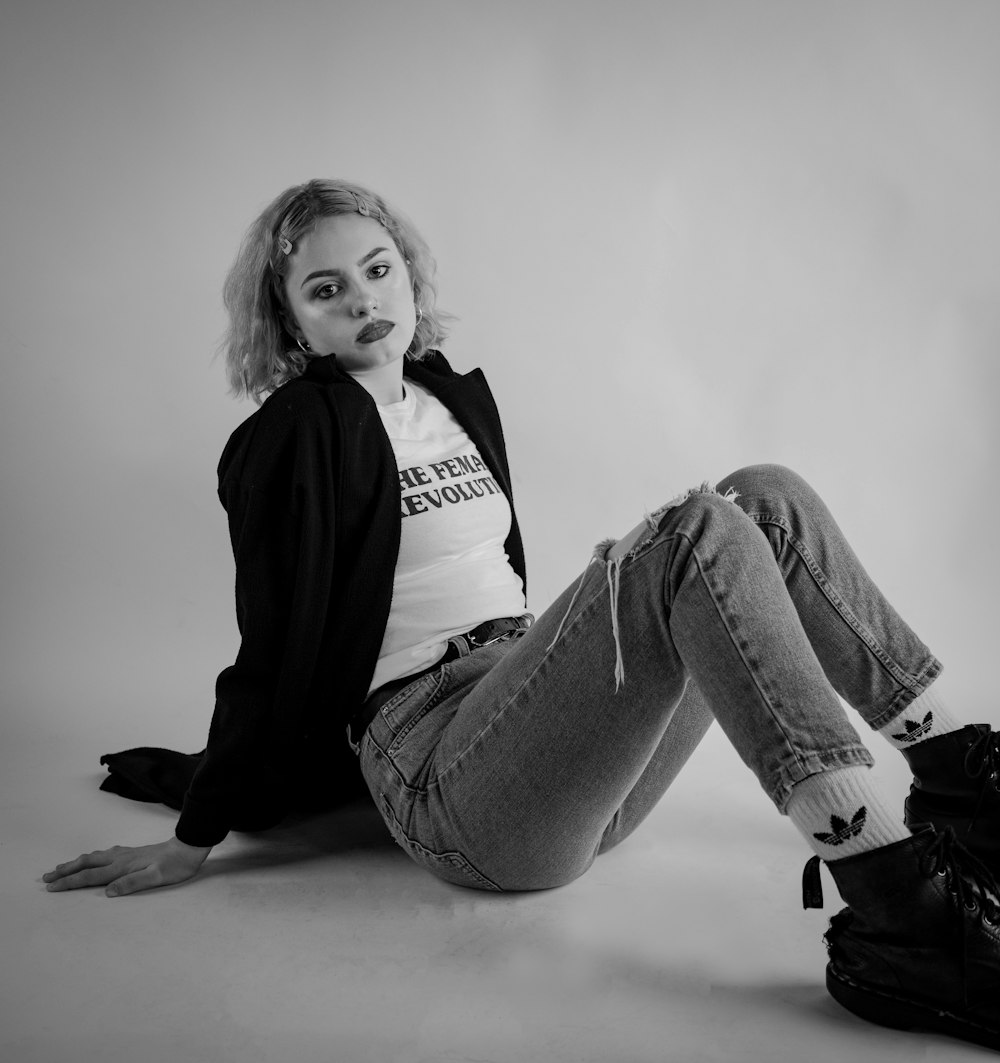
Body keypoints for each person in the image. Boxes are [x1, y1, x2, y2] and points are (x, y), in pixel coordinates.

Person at [43, 179, 1000, 1052]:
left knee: (765, 498)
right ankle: (900, 912)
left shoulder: (450, 398)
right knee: (694, 533)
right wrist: (193, 835)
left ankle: (964, 787)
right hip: (450, 778)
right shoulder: (289, 437)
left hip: (559, 758)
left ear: (410, 278)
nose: (364, 300)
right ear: (289, 322)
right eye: (325, 289)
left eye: (378, 271)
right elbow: (274, 640)